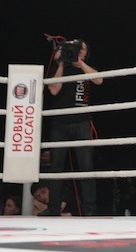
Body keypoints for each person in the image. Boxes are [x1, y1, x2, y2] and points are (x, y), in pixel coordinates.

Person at [39, 39, 102, 216]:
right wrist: (60, 63)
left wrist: (80, 64)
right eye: (75, 49)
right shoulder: (59, 68)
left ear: (86, 53)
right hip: (59, 123)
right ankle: (53, 208)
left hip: (82, 122)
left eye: (82, 49)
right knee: (55, 167)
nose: (78, 51)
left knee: (86, 167)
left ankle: (89, 210)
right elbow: (53, 90)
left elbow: (99, 80)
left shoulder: (86, 68)